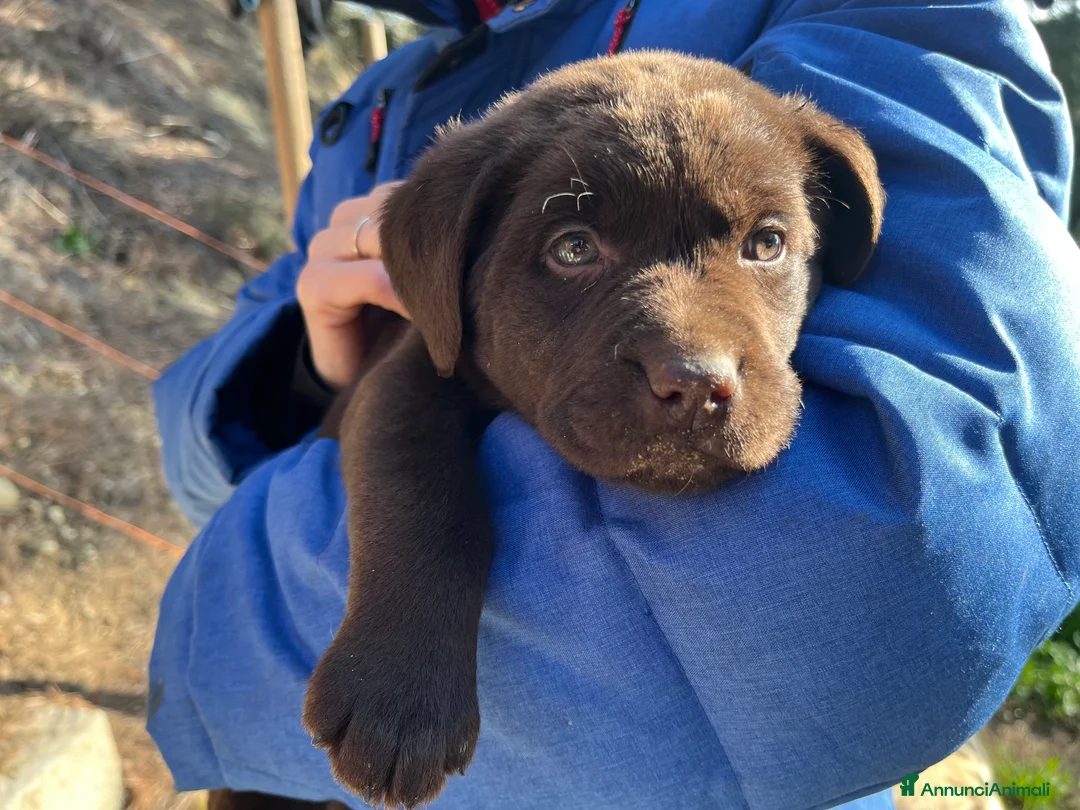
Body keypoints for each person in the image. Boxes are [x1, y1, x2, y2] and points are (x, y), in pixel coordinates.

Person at [147, 1, 1080, 808]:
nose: (697, 357)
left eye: (763, 244)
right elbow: (377, 389)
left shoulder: (887, 22)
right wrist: (313, 369)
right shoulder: (389, 95)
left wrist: (223, 604)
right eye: (573, 248)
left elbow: (904, 537)